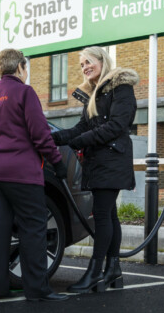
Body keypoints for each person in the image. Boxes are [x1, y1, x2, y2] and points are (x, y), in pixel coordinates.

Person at [0, 48, 69, 302]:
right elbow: (40, 134)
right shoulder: (25, 93)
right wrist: (57, 162)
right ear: (19, 68)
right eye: (25, 68)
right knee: (33, 228)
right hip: (20, 173)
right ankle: (37, 290)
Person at [51, 46, 139, 293]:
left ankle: (94, 272)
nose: (85, 67)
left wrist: (77, 142)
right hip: (99, 162)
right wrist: (52, 138)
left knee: (101, 215)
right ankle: (113, 270)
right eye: (81, 65)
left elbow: (116, 126)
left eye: (88, 62)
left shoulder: (121, 88)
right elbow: (80, 127)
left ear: (102, 60)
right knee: (109, 215)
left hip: (112, 161)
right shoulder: (94, 95)